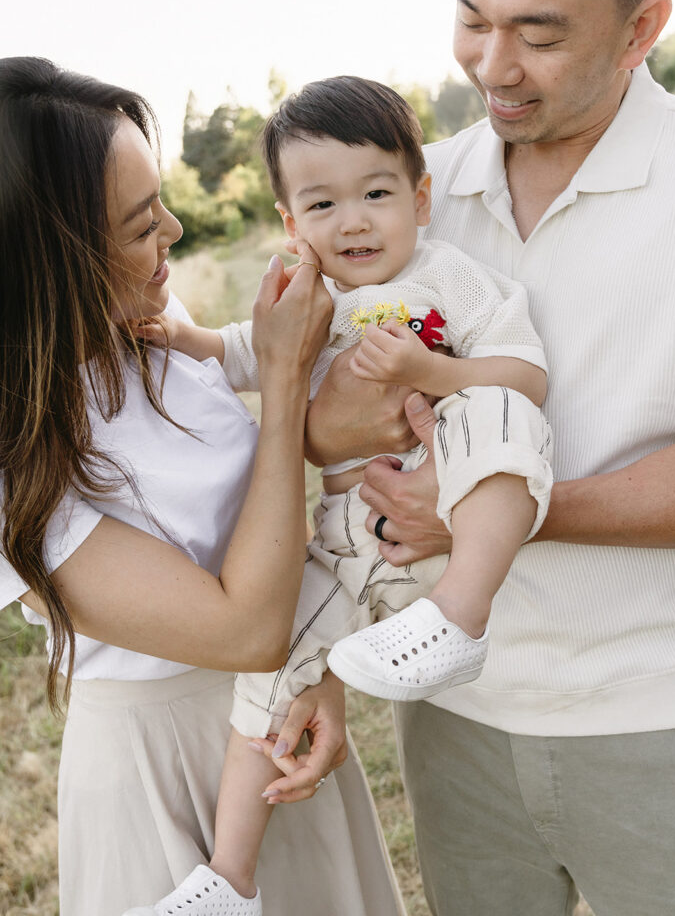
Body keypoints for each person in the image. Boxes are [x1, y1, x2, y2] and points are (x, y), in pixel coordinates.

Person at [305, 0, 675, 915]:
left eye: (539, 34)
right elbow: (325, 416)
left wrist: (492, 504)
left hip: (654, 720)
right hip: (451, 721)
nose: (491, 65)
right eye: (472, 16)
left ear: (640, 26)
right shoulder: (411, 198)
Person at [127, 74, 552, 914]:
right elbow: (243, 351)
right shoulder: (307, 301)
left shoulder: (449, 280)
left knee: (503, 415)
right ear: (290, 224)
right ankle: (231, 877)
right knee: (273, 671)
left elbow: (525, 375)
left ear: (420, 198)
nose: (352, 220)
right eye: (320, 206)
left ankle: (461, 618)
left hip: (443, 538)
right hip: (344, 545)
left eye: (376, 193)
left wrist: (431, 371)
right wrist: (185, 335)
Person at [0, 57, 408, 916]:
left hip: (276, 731)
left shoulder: (151, 330)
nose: (176, 234)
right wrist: (286, 376)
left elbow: (264, 551)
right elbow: (241, 624)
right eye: (140, 225)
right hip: (162, 770)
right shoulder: (16, 459)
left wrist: (317, 677)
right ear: (48, 257)